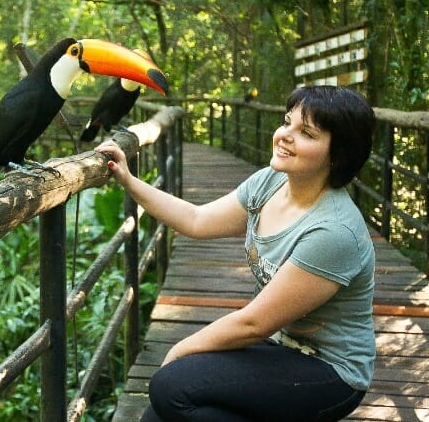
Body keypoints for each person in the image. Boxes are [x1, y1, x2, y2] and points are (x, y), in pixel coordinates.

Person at [95, 85, 377, 421]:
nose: (285, 136)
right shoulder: (270, 183)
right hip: (278, 346)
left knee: (171, 388)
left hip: (329, 372)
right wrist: (128, 180)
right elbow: (196, 219)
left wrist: (180, 350)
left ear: (337, 154)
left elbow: (254, 323)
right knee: (157, 415)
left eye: (306, 133)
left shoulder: (333, 232)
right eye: (287, 122)